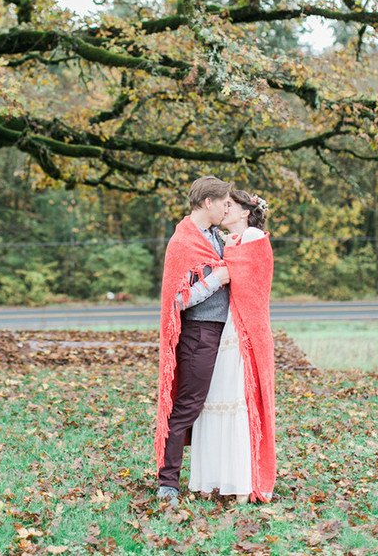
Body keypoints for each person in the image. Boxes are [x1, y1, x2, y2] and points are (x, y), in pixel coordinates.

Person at [189, 189, 276, 503]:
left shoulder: (252, 237)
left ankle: (239, 480)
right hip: (228, 326)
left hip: (243, 328)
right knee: (217, 400)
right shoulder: (229, 242)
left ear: (244, 212)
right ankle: (216, 478)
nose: (224, 210)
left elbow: (250, 281)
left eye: (230, 206)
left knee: (235, 400)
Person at [155, 175, 232, 507]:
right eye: (224, 202)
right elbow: (179, 299)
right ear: (208, 203)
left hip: (223, 331)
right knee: (188, 405)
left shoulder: (216, 236)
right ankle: (167, 482)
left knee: (217, 407)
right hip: (199, 332)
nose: (228, 208)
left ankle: (212, 474)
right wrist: (217, 279)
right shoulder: (183, 242)